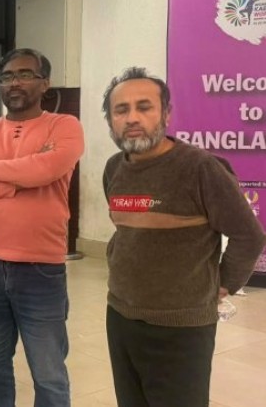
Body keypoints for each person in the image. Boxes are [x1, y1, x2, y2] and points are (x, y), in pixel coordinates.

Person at [101, 67, 266, 407]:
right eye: (121, 110)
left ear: (166, 114)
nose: (132, 118)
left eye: (144, 107)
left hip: (181, 326)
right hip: (120, 315)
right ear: (110, 120)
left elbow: (248, 235)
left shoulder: (200, 168)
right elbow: (125, 231)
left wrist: (223, 284)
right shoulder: (114, 168)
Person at [0, 48, 84, 407]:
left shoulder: (64, 126)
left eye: (24, 74)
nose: (14, 83)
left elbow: (46, 169)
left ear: (45, 83)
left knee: (49, 375)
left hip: (41, 270)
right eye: (6, 76)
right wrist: (14, 185)